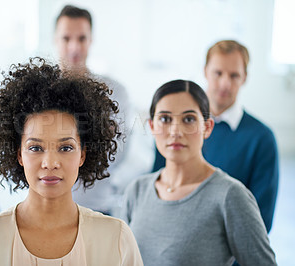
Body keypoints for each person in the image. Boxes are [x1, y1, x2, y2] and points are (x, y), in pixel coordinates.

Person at [0, 58, 143, 266]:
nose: (50, 163)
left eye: (65, 148)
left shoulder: (116, 238)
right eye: (36, 148)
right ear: (19, 154)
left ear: (83, 155)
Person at [121, 79, 277, 266]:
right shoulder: (137, 191)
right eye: (165, 119)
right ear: (152, 126)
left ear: (207, 127)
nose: (175, 131)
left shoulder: (230, 196)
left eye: (188, 119)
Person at [151, 40, 279, 232]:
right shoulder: (172, 130)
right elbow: (156, 187)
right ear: (205, 71)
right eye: (218, 73)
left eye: (234, 75)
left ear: (244, 78)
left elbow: (260, 220)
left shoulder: (261, 138)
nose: (225, 83)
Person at [54, 5, 136, 215]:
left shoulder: (115, 92)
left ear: (91, 40)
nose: (74, 47)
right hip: (48, 206)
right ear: (55, 39)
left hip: (97, 206)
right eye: (66, 38)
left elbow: (116, 153)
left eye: (81, 38)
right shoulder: (38, 92)